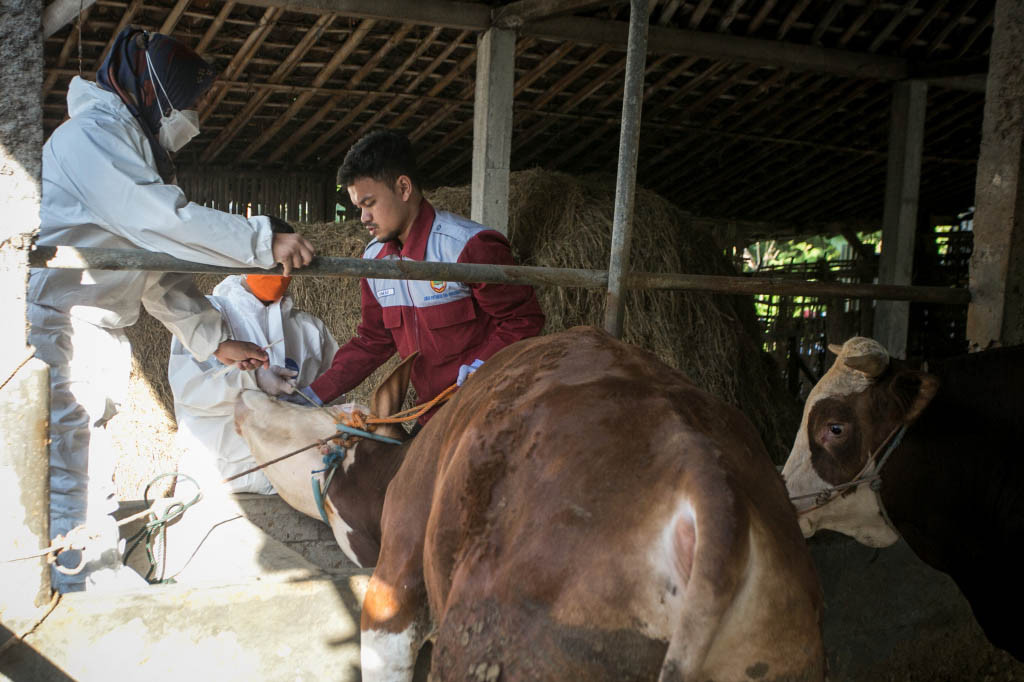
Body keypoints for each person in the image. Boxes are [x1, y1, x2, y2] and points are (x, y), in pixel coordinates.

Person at [28, 27, 315, 592]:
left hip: (95, 325)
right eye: (189, 103)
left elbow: (155, 269)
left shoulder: (131, 149)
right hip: (56, 322)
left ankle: (92, 571)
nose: (194, 115)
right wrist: (263, 240)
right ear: (155, 92)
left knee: (88, 450)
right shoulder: (89, 138)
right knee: (67, 460)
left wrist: (212, 338)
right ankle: (75, 585)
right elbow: (159, 220)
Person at [275, 130, 544, 429]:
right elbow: (373, 341)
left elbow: (523, 320)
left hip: (488, 406)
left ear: (403, 188)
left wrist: (483, 366)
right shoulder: (375, 261)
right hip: (431, 414)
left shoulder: (467, 246)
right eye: (358, 207)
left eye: (370, 203)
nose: (363, 218)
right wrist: (313, 394)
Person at [168, 241, 339, 495]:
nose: (281, 270)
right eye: (273, 259)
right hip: (219, 478)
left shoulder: (310, 330)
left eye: (289, 263)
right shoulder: (207, 317)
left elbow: (333, 396)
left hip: (296, 481)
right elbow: (189, 389)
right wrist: (252, 381)